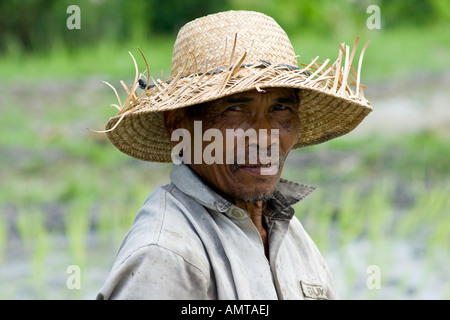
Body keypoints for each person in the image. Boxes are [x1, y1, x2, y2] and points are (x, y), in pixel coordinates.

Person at [97, 10, 372, 300]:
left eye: (280, 109)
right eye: (235, 109)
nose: (265, 136)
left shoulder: (288, 233)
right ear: (177, 124)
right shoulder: (165, 254)